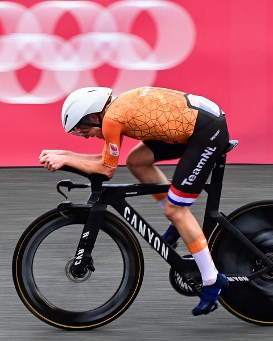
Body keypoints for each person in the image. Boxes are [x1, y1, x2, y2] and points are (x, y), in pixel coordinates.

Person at [39, 86, 230, 316]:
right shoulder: (113, 112)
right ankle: (178, 228)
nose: (85, 136)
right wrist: (65, 155)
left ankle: (212, 280)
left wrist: (65, 160)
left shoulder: (112, 120)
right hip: (200, 122)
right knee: (137, 161)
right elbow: (104, 159)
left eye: (82, 129)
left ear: (93, 115)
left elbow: (106, 169)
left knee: (175, 210)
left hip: (207, 131)